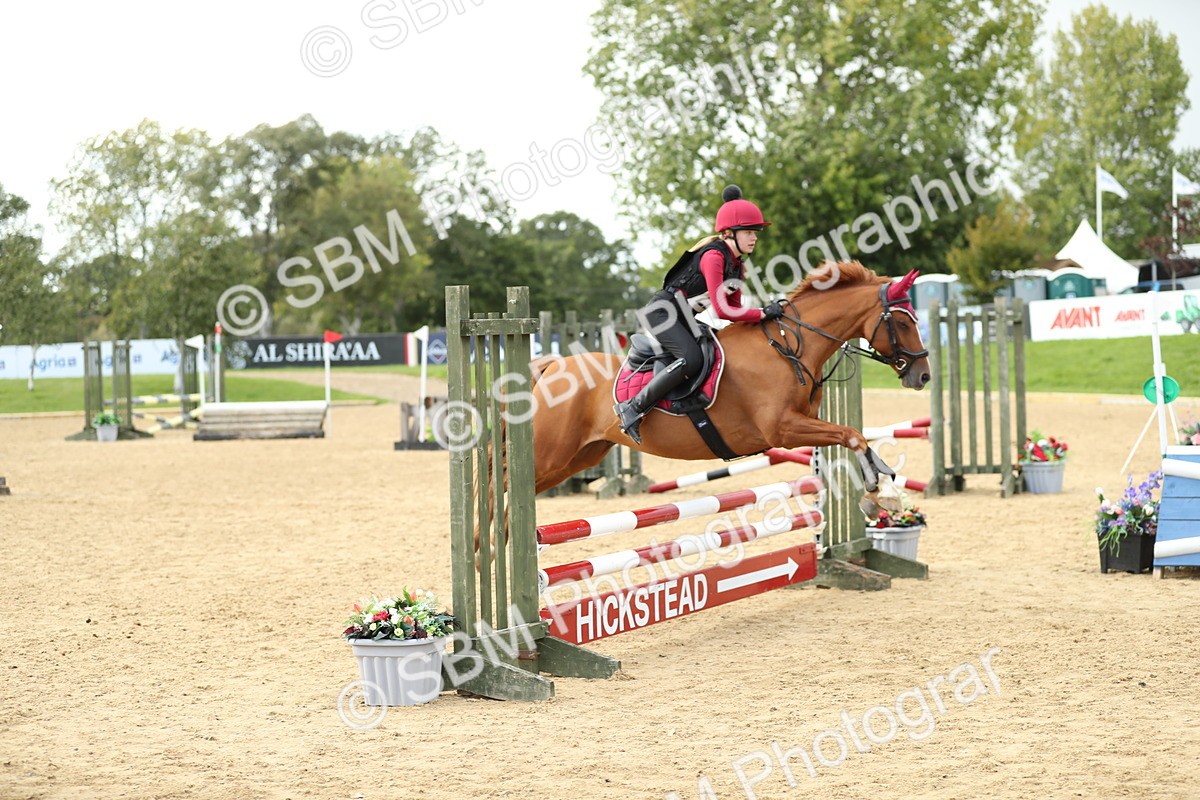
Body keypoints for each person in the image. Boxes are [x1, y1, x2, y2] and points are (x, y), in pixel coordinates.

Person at [614, 184, 785, 444]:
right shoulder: (714, 256)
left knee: (717, 349)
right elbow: (721, 308)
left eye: (755, 233)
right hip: (662, 314)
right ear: (729, 233)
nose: (755, 238)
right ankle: (633, 408)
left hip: (684, 317)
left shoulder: (737, 267)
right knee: (691, 359)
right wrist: (762, 313)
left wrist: (763, 315)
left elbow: (732, 312)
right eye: (749, 232)